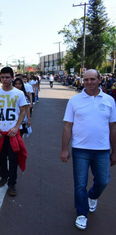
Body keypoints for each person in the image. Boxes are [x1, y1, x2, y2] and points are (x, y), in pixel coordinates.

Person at [60, 69, 116, 230]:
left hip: (102, 150)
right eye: (86, 80)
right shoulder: (74, 100)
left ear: (99, 80)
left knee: (104, 180)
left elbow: (113, 127)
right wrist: (65, 149)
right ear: (82, 81)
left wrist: (115, 151)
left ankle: (93, 196)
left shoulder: (109, 100)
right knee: (80, 184)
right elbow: (67, 125)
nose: (89, 82)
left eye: (92, 79)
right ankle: (81, 214)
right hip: (80, 149)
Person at [0, 67, 28, 196]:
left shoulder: (19, 93)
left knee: (13, 157)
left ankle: (12, 183)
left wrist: (16, 127)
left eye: (7, 77)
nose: (4, 80)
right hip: (1, 131)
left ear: (12, 77)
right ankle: (3, 177)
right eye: (2, 77)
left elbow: (23, 111)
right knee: (1, 156)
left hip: (13, 132)